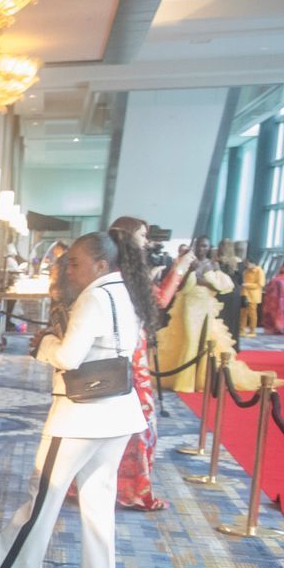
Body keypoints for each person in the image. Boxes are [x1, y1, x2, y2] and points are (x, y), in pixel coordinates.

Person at [0, 231, 146, 568]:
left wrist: (44, 345)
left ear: (100, 265)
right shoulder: (127, 291)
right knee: (98, 502)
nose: (68, 269)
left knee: (44, 494)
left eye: (75, 262)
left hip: (79, 414)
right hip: (119, 409)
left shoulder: (93, 297)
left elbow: (70, 357)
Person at [107, 215, 169, 512]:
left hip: (132, 357)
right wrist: (177, 271)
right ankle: (131, 489)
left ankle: (121, 487)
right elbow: (162, 300)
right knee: (139, 426)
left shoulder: (119, 272)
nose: (146, 242)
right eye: (142, 236)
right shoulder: (123, 276)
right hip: (130, 360)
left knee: (132, 426)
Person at [157, 238, 258, 391]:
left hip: (206, 305)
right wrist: (190, 271)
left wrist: (203, 279)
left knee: (205, 341)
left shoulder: (213, 264)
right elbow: (179, 287)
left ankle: (201, 378)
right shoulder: (186, 262)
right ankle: (185, 381)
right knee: (190, 339)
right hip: (188, 305)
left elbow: (220, 287)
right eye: (198, 245)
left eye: (204, 246)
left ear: (209, 248)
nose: (201, 249)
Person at [240, 243, 266, 336]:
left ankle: (252, 331)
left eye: (248, 263)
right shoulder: (246, 271)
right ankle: (242, 329)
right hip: (245, 294)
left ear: (253, 262)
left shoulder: (259, 271)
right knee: (243, 314)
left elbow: (260, 284)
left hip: (253, 296)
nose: (246, 265)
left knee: (252, 314)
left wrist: (246, 285)